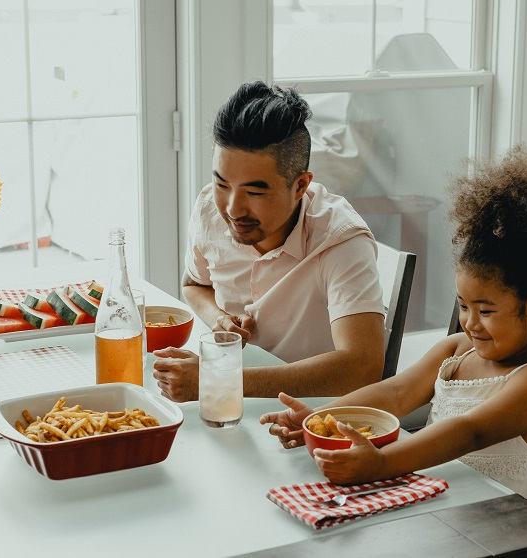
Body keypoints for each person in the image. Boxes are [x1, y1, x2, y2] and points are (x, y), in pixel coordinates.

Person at [260, 147, 527, 500]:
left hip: (497, 531)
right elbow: (396, 393)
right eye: (463, 305)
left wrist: (381, 464)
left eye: (486, 311)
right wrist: (321, 417)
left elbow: (468, 431)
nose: (470, 323)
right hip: (430, 503)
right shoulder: (456, 352)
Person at [152, 81, 386, 402]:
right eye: (222, 183)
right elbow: (194, 284)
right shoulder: (209, 207)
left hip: (312, 412)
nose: (233, 208)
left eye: (255, 192)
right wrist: (218, 318)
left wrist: (220, 380)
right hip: (231, 401)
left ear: (301, 185)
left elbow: (362, 367)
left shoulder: (341, 241)